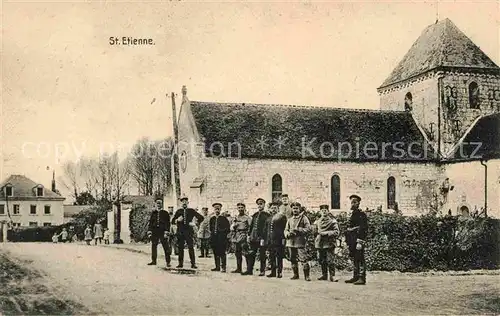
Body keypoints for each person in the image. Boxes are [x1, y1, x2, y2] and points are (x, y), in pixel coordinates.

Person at [171, 195, 204, 269]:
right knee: (180, 248)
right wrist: (177, 220)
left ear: (188, 202)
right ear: (181, 203)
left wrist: (195, 223)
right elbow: (172, 221)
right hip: (180, 232)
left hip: (189, 232)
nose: (184, 203)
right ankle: (180, 264)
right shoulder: (178, 211)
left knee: (191, 247)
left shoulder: (191, 211)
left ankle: (193, 264)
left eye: (185, 201)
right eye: (183, 201)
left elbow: (201, 218)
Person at [243, 198, 270, 276]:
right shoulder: (255, 215)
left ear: (264, 205)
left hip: (261, 238)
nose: (259, 205)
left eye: (261, 204)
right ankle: (249, 270)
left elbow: (266, 229)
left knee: (262, 255)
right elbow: (251, 226)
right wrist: (249, 235)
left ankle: (262, 271)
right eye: (258, 204)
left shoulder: (266, 216)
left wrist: (264, 238)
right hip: (253, 237)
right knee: (251, 254)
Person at [284, 202, 311, 281]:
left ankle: (307, 276)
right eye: (293, 208)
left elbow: (308, 229)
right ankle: (295, 274)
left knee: (303, 259)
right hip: (291, 242)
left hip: (300, 242)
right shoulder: (290, 219)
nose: (295, 210)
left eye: (296, 208)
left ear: (299, 209)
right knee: (292, 259)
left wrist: (299, 229)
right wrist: (288, 234)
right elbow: (285, 230)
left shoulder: (304, 218)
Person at [345, 194, 368, 285]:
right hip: (352, 240)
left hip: (358, 240)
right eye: (352, 202)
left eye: (355, 202)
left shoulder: (361, 215)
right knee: (355, 258)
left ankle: (362, 278)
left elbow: (363, 228)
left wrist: (360, 241)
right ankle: (356, 276)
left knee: (360, 258)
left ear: (358, 203)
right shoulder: (352, 214)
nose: (353, 204)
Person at [314, 204, 340, 282]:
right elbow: (315, 231)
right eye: (322, 211)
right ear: (320, 212)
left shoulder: (332, 221)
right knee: (321, 259)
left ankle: (332, 276)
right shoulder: (318, 221)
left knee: (330, 260)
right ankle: (324, 275)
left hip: (329, 243)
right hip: (320, 243)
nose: (324, 212)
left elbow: (336, 232)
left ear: (328, 211)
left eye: (325, 210)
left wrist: (326, 233)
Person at [264, 202, 287, 278]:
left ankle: (279, 272)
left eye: (275, 208)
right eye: (272, 208)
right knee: (271, 256)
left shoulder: (282, 217)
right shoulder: (268, 218)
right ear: (270, 209)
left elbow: (285, 229)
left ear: (278, 209)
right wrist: (265, 239)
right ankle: (273, 272)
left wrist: (283, 239)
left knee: (279, 257)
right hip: (270, 241)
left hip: (278, 240)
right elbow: (266, 230)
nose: (273, 209)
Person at [147, 199, 172, 267]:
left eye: (160, 203)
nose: (158, 205)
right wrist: (150, 232)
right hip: (155, 232)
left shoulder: (165, 213)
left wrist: (166, 232)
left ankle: (168, 262)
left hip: (162, 231)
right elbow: (150, 223)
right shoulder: (153, 213)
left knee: (166, 246)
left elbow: (167, 223)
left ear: (162, 204)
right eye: (157, 203)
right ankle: (153, 261)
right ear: (156, 204)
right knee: (154, 246)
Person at [230, 203, 251, 274]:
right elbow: (232, 227)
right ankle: (239, 268)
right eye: (239, 207)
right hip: (236, 235)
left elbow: (250, 227)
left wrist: (248, 236)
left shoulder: (247, 217)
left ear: (244, 208)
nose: (240, 209)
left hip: (243, 235)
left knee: (246, 253)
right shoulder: (236, 217)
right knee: (237, 253)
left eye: (242, 207)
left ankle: (248, 270)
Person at [209, 203, 230, 272]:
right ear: (214, 210)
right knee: (215, 252)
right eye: (215, 209)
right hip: (214, 238)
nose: (217, 210)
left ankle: (223, 267)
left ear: (220, 209)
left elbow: (227, 229)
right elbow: (210, 228)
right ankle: (217, 267)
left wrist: (222, 233)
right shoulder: (212, 219)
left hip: (221, 238)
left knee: (222, 252)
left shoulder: (224, 219)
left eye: (218, 209)